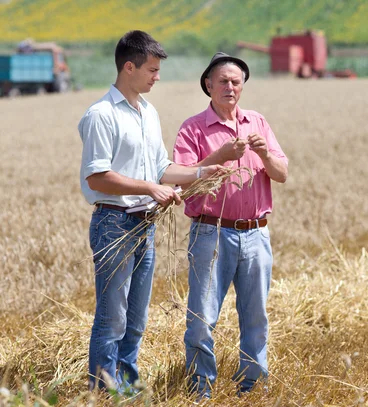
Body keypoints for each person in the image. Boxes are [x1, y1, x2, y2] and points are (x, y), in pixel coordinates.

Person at [78, 30, 222, 392]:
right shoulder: (101, 114)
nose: (158, 77)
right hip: (115, 224)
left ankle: (126, 390)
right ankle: (104, 394)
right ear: (129, 67)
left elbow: (160, 169)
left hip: (145, 225)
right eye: (152, 70)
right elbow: (98, 177)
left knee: (137, 321)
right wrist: (150, 189)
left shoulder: (148, 112)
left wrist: (202, 173)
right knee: (112, 320)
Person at [173, 52, 288, 398]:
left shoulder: (258, 122)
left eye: (236, 81)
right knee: (202, 319)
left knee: (255, 318)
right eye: (222, 81)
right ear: (208, 85)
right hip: (211, 233)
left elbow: (282, 174)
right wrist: (219, 156)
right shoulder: (193, 128)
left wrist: (265, 154)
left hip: (256, 233)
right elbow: (182, 183)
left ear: (243, 86)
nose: (229, 87)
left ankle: (251, 388)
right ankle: (201, 390)